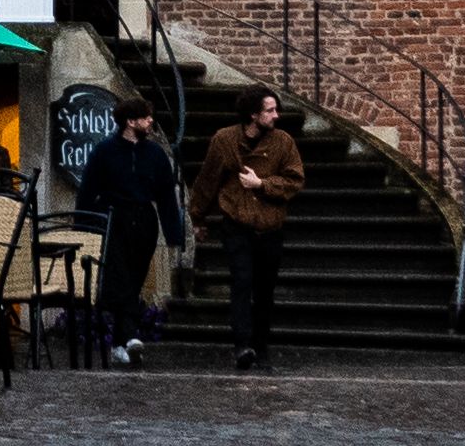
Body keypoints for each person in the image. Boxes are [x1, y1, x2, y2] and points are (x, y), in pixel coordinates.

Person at [195, 88, 308, 371]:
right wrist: (198, 218)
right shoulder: (225, 140)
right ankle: (242, 345)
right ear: (253, 114)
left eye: (275, 109)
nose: (276, 115)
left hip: (269, 226)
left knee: (265, 289)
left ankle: (261, 344)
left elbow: (295, 180)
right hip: (237, 224)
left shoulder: (283, 142)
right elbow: (208, 180)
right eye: (269, 111)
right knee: (242, 282)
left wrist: (262, 185)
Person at [76, 98, 187, 368]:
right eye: (146, 117)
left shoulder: (156, 154)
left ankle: (119, 343)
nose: (151, 122)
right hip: (114, 218)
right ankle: (130, 337)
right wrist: (83, 230)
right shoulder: (104, 151)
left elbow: (166, 197)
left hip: (144, 220)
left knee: (135, 278)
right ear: (131, 121)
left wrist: (174, 234)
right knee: (121, 277)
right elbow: (88, 191)